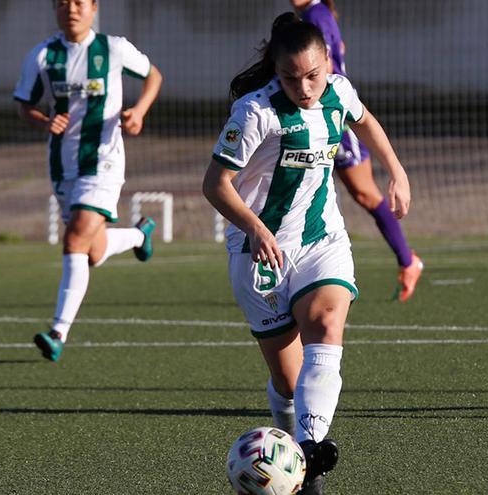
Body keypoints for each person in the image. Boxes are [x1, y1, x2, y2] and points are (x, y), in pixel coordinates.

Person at [202, 13, 411, 494]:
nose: (305, 87)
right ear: (276, 71)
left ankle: (309, 456)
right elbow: (215, 185)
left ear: (327, 63)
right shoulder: (255, 114)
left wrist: (395, 170)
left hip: (321, 241)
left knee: (327, 324)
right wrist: (254, 227)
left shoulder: (338, 90)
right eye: (291, 78)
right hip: (260, 255)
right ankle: (299, 455)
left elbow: (366, 122)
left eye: (313, 74)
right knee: (289, 383)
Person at [14, 0, 163, 362]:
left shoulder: (112, 48)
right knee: (91, 251)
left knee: (75, 238)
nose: (72, 9)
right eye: (63, 3)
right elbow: (24, 104)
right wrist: (43, 120)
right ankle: (140, 234)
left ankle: (58, 332)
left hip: (104, 162)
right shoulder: (43, 56)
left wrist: (138, 112)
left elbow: (153, 76)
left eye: (80, 2)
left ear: (94, 8)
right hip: (63, 165)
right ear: (55, 9)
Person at [290, 0, 424, 303]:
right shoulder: (315, 15)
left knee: (365, 192)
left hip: (333, 117)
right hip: (318, 116)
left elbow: (326, 66)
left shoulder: (315, 14)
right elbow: (339, 50)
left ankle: (408, 260)